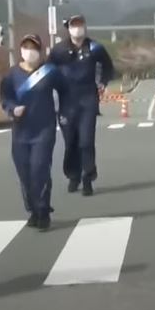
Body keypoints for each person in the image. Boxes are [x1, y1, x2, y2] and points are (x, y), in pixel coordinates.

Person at [0, 34, 67, 230]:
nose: (29, 51)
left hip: (44, 130)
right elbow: (5, 97)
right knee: (25, 174)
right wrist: (13, 109)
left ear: (40, 50)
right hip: (20, 132)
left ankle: (43, 211)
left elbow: (65, 90)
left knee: (39, 170)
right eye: (26, 46)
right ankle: (33, 209)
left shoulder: (50, 72)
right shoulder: (12, 75)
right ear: (21, 50)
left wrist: (65, 112)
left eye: (33, 47)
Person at [49, 15, 114, 196]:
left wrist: (102, 82)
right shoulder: (59, 50)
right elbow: (47, 70)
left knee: (86, 141)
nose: (77, 29)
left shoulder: (95, 47)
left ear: (85, 27)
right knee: (71, 142)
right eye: (74, 25)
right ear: (68, 29)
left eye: (80, 25)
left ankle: (87, 177)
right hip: (66, 101)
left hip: (88, 99)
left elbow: (108, 66)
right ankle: (73, 175)